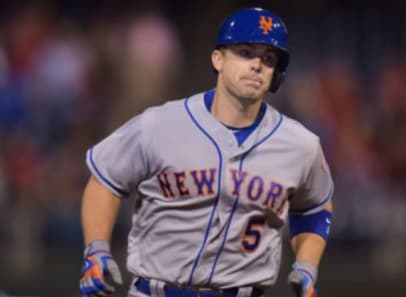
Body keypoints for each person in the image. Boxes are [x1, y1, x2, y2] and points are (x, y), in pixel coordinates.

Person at [79, 7, 334, 297]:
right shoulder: (160, 124)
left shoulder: (300, 144)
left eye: (268, 58)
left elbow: (315, 207)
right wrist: (96, 250)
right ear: (218, 59)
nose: (257, 65)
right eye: (245, 52)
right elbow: (104, 181)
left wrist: (306, 265)